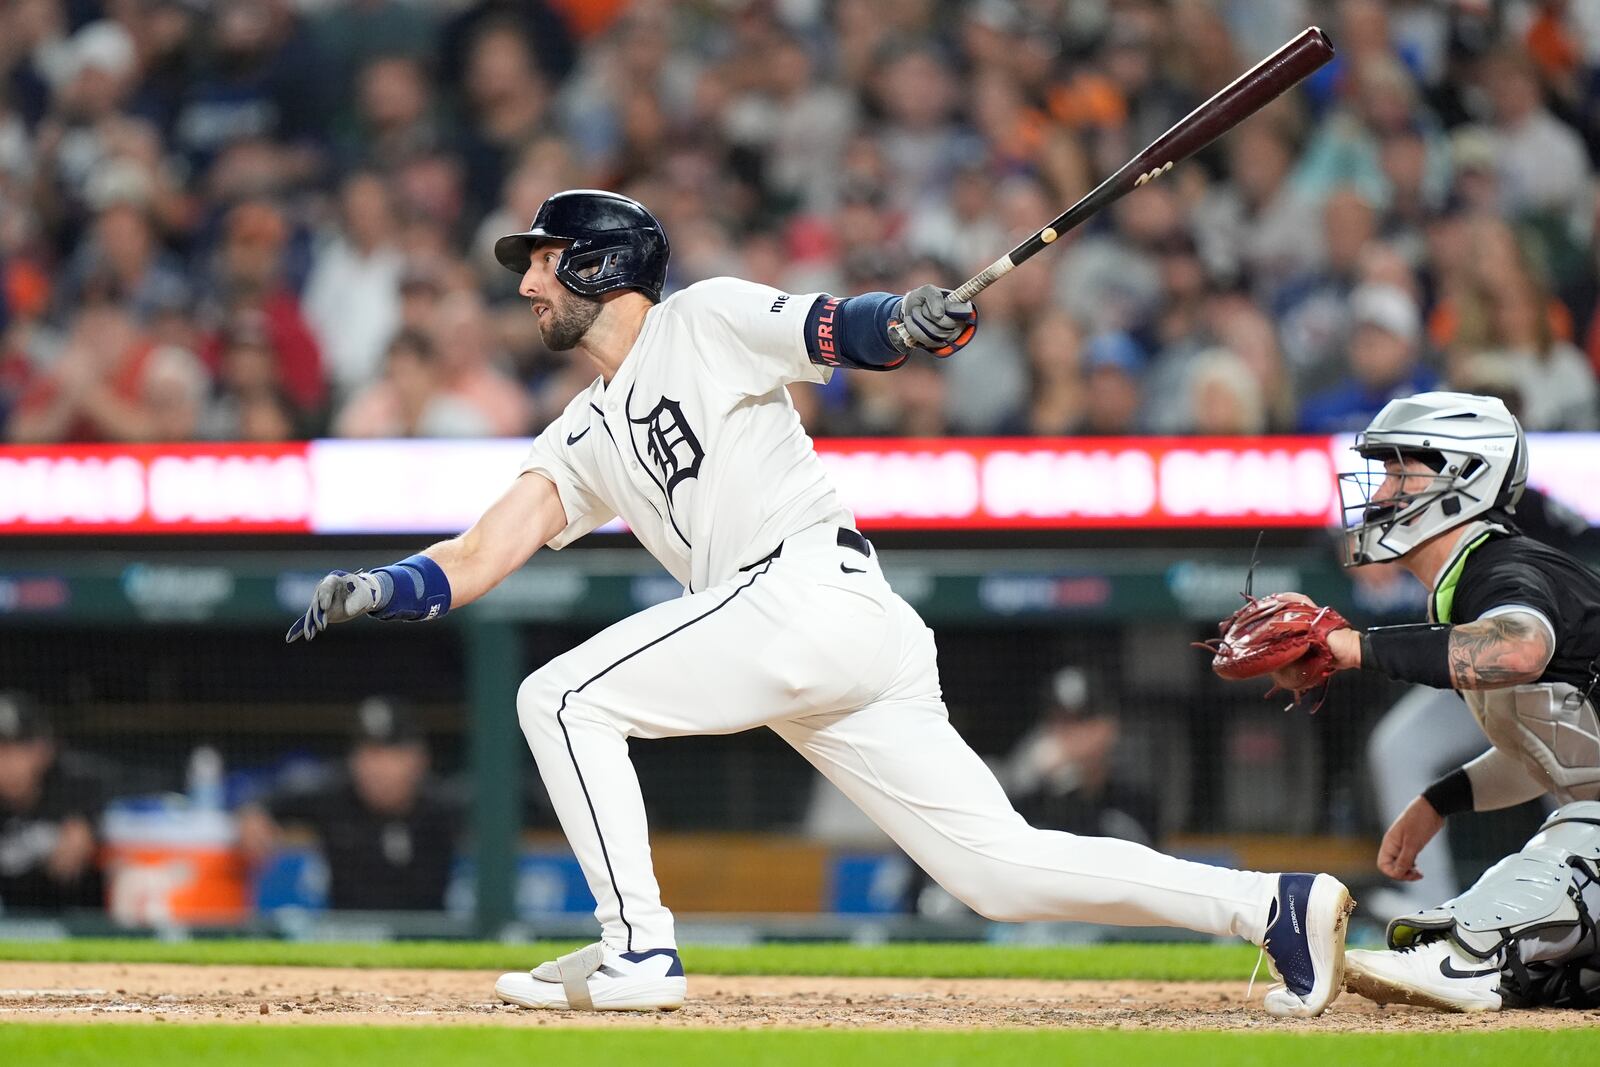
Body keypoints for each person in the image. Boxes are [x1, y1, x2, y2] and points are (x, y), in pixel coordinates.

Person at [285, 188, 1351, 1017]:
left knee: (561, 699)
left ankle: (636, 943)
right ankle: (1268, 904)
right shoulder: (581, 426)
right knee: (995, 869)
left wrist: (914, 320)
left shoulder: (701, 318)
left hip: (806, 588)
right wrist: (383, 583)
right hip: (808, 628)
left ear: (603, 265)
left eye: (544, 264)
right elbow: (480, 554)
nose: (527, 285)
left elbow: (843, 328)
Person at [1272, 391, 1600, 1011]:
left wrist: (1353, 646)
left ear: (1467, 477)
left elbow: (1521, 648)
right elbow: (1553, 753)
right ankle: (1491, 955)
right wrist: (1435, 803)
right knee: (1553, 979)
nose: (1382, 490)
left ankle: (1468, 952)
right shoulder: (1466, 585)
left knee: (1571, 839)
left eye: (1402, 471)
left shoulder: (1503, 568)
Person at [239, 697, 460, 912]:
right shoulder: (333, 797)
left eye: (390, 755)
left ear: (418, 759)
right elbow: (265, 798)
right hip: (347, 938)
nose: (377, 769)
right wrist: (253, 814)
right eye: (368, 753)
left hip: (429, 939)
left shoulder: (442, 804)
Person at [0, 692, 105, 911]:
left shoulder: (76, 788)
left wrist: (88, 827)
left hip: (71, 920)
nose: (7, 762)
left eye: (18, 748)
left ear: (43, 750)